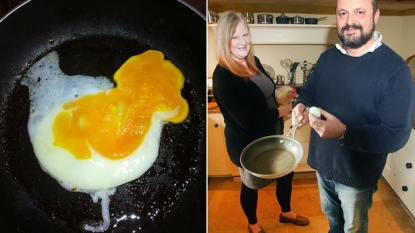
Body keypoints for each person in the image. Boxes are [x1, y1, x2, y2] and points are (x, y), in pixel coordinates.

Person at [291, 0, 415, 232]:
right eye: (343, 13)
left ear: (375, 16)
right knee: (333, 221)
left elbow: (395, 135)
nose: (350, 21)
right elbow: (308, 93)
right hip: (322, 164)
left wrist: (345, 132)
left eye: (359, 12)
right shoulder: (328, 58)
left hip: (356, 176)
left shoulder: (395, 70)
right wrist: (301, 104)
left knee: (353, 229)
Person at [212, 11, 309, 233]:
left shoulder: (253, 62)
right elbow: (247, 120)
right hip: (247, 143)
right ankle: (253, 224)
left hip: (272, 134)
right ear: (224, 41)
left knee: (286, 174)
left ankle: (286, 213)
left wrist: (283, 96)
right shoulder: (223, 76)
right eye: (234, 37)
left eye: (245, 35)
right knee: (251, 185)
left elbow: (266, 92)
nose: (242, 42)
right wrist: (282, 111)